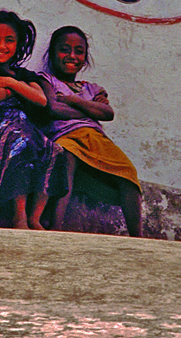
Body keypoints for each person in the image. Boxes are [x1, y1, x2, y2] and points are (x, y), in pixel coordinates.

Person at [0, 11, 62, 229]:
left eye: (9, 40)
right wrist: (18, 90)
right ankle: (19, 217)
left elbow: (41, 99)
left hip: (22, 123)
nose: (2, 46)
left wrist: (9, 83)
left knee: (53, 150)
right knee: (20, 143)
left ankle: (35, 218)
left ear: (18, 45)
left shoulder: (23, 75)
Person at [40, 26, 142, 236]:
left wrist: (71, 100)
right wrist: (89, 110)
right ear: (52, 53)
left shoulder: (93, 88)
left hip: (96, 139)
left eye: (79, 51)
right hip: (64, 136)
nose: (72, 56)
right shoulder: (45, 80)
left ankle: (138, 238)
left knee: (128, 174)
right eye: (64, 49)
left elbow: (106, 112)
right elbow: (52, 108)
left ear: (85, 58)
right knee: (67, 157)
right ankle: (56, 229)